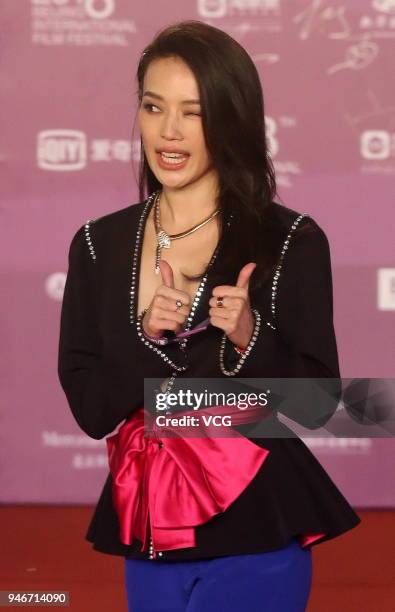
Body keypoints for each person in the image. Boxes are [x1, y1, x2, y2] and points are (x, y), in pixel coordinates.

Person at [58, 20, 361, 612]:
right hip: (149, 533)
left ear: (232, 121)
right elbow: (92, 410)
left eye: (194, 112)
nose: (169, 132)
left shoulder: (288, 239)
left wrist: (250, 336)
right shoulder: (98, 244)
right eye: (153, 106)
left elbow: (317, 403)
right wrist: (143, 337)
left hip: (258, 532)